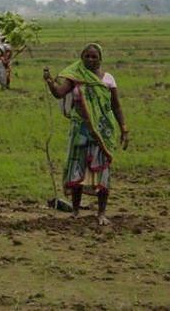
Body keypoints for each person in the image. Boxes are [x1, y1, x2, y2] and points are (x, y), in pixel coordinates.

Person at [43, 43, 129, 226]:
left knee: (102, 170)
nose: (90, 60)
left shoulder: (108, 80)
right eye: (87, 57)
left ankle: (101, 213)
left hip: (102, 132)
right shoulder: (75, 78)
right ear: (81, 58)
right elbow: (59, 93)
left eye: (94, 57)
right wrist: (50, 81)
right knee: (77, 169)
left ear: (100, 59)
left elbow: (116, 106)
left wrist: (124, 128)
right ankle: (75, 211)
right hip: (80, 130)